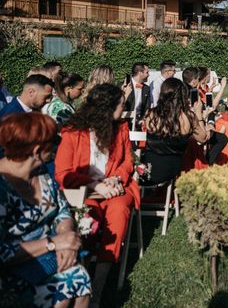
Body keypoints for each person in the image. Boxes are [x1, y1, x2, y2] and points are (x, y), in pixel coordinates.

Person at [55, 84, 140, 305]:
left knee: (119, 211)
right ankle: (81, 275)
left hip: (115, 188)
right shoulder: (74, 132)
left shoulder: (120, 128)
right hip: (84, 191)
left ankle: (98, 286)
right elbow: (63, 174)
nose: (124, 108)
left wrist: (116, 178)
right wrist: (94, 185)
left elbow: (127, 162)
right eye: (122, 104)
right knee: (89, 216)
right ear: (107, 107)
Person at [0, 113, 91, 308]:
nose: (56, 149)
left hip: (48, 258)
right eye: (52, 145)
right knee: (64, 288)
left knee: (79, 278)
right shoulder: (2, 187)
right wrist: (52, 243)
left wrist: (66, 237)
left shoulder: (41, 173)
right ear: (37, 150)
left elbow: (62, 210)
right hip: (11, 274)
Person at [142, 78, 214, 184]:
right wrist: (199, 114)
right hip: (171, 170)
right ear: (183, 96)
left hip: (148, 169)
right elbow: (202, 138)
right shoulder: (188, 116)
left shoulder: (150, 114)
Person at [123, 62, 151, 131]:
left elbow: (147, 107)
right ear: (140, 73)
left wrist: (143, 119)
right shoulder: (124, 86)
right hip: (125, 124)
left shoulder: (146, 89)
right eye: (147, 72)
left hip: (140, 124)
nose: (149, 75)